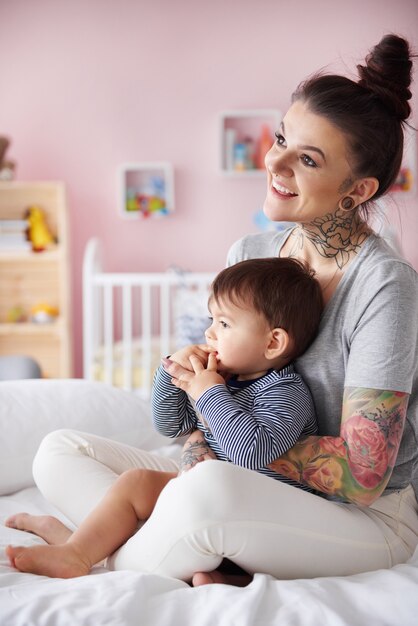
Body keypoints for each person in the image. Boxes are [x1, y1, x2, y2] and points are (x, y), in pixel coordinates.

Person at [5, 33, 418, 586]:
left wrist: (231, 436)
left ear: (356, 189)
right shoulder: (251, 253)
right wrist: (201, 413)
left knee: (206, 495)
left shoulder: (384, 288)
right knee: (59, 451)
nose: (275, 162)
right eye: (281, 138)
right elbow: (203, 414)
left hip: (362, 516)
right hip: (235, 474)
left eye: (308, 159)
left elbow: (366, 473)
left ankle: (90, 552)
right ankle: (125, 541)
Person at [6, 257, 323, 578]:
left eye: (224, 324)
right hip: (209, 501)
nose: (209, 333)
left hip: (253, 515)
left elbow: (253, 451)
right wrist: (170, 371)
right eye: (211, 319)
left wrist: (209, 394)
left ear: (272, 342)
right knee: (135, 482)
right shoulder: (223, 377)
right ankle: (80, 546)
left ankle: (77, 548)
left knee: (148, 490)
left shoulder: (284, 392)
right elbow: (170, 425)